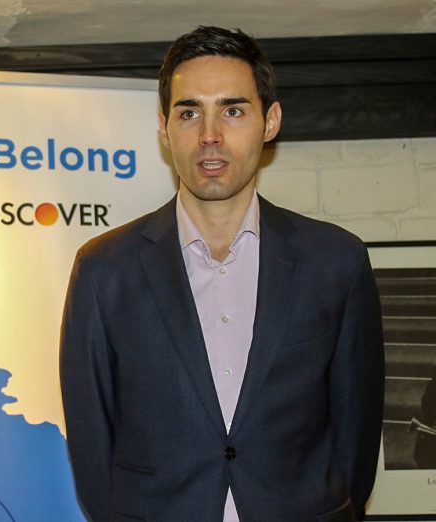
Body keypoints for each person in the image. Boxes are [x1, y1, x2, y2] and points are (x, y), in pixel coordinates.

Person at [60, 26, 385, 522]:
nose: (209, 135)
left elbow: (356, 439)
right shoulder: (104, 270)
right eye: (189, 113)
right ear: (165, 128)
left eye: (233, 111)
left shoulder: (335, 261)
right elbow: (91, 443)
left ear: (270, 121)